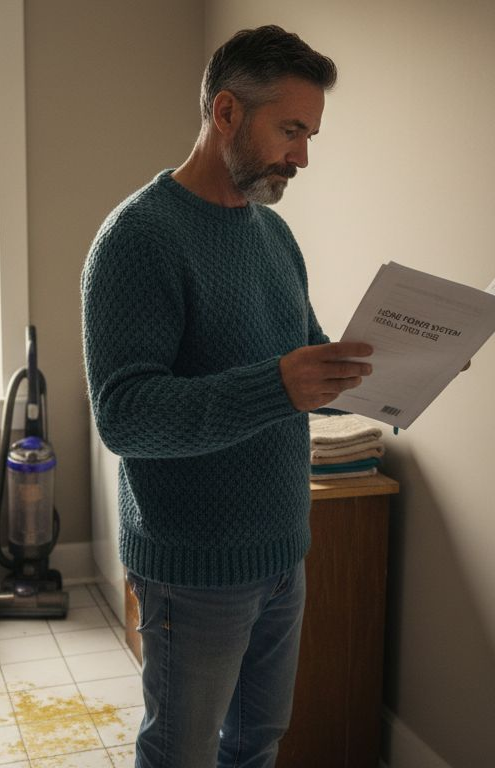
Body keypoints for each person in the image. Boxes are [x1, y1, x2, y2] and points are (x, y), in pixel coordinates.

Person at [80, 24, 373, 768]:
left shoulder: (274, 238)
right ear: (227, 114)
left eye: (310, 134)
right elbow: (126, 416)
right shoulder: (138, 239)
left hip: (283, 548)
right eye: (292, 130)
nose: (303, 155)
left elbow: (309, 378)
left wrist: (403, 372)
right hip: (194, 565)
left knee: (257, 744)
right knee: (180, 754)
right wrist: (276, 385)